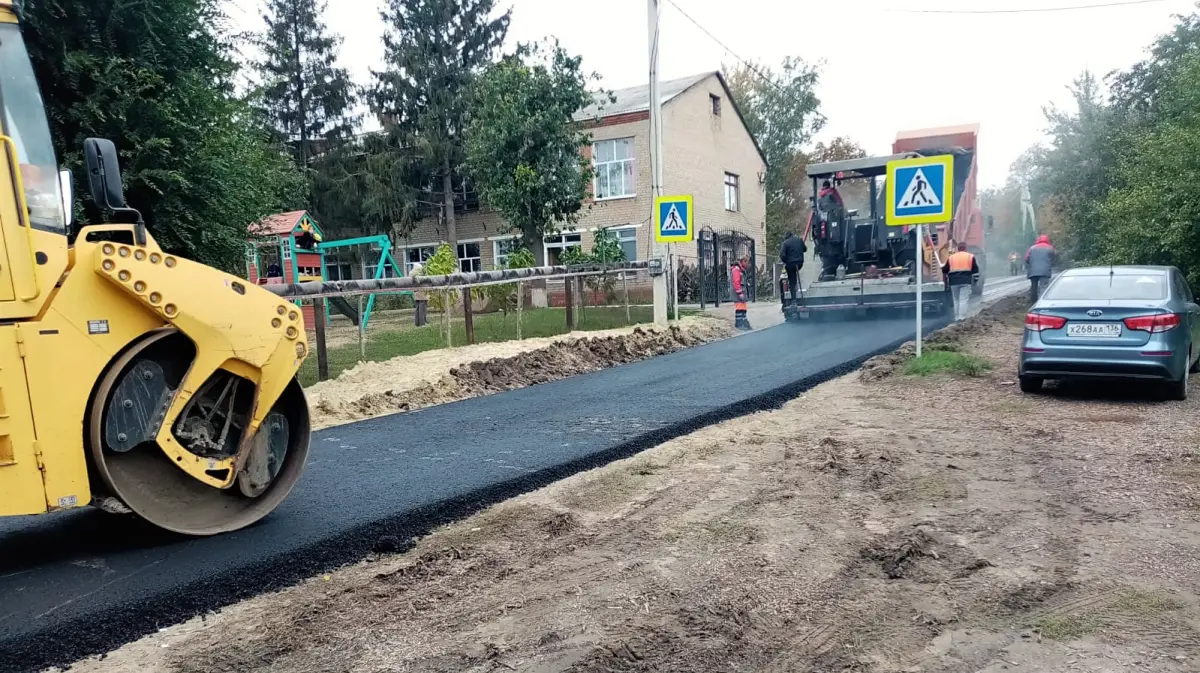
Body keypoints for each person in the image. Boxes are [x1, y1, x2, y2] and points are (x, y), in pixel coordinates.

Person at [941, 244, 979, 321]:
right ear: (965, 248)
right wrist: (975, 280)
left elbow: (945, 270)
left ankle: (957, 317)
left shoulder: (951, 257)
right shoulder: (970, 256)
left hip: (953, 282)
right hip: (965, 281)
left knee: (956, 300)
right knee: (963, 299)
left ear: (958, 249)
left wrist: (942, 267)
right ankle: (962, 318)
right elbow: (975, 270)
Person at [1025, 234, 1056, 303]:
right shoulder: (1050, 248)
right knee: (1043, 287)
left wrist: (1031, 264)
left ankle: (1033, 302)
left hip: (1033, 271)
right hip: (1045, 271)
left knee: (1034, 287)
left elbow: (1026, 259)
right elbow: (1054, 258)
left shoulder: (1032, 248)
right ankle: (1041, 303)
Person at [779, 230, 807, 306]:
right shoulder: (799, 240)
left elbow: (782, 255)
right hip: (800, 263)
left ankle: (794, 300)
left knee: (792, 281)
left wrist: (786, 261)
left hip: (790, 264)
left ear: (786, 237)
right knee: (795, 273)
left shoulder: (785, 243)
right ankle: (798, 289)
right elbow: (805, 249)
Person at [730, 256, 751, 330]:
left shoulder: (741, 270)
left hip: (741, 292)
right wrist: (740, 293)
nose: (748, 265)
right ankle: (739, 324)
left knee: (743, 308)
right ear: (743, 261)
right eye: (747, 263)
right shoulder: (736, 270)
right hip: (738, 293)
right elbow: (736, 282)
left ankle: (744, 323)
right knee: (740, 308)